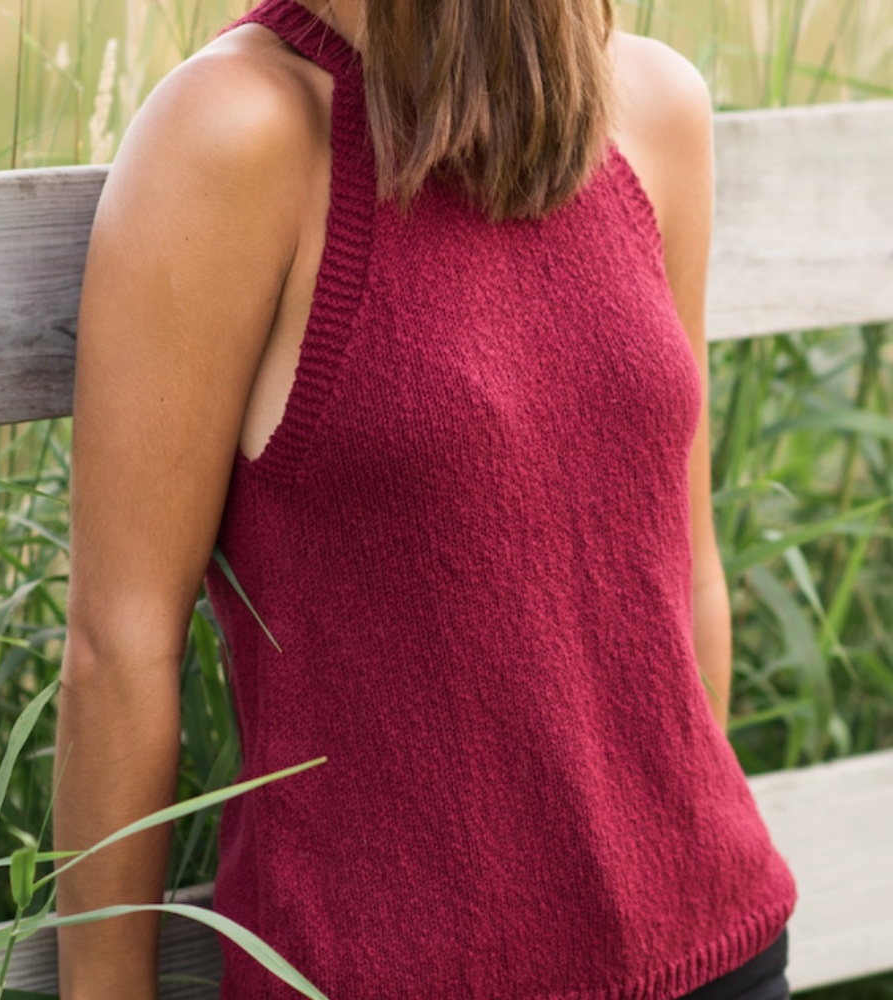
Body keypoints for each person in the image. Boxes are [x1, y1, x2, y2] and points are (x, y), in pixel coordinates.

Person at [52, 0, 798, 997]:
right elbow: (120, 644)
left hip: (714, 950)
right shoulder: (242, 132)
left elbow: (684, 568)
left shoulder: (651, 105)